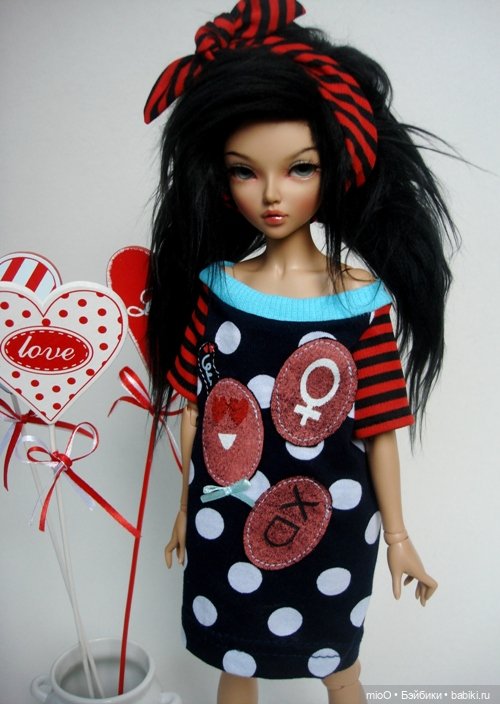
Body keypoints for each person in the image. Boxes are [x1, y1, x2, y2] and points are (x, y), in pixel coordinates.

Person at [144, 2, 456, 702]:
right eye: (244, 172)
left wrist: (399, 536)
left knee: (339, 666)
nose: (271, 195)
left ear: (335, 168)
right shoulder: (217, 290)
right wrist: (187, 507)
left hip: (333, 523)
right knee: (236, 661)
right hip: (225, 517)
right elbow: (194, 406)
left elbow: (379, 426)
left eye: (299, 169)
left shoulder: (361, 302)